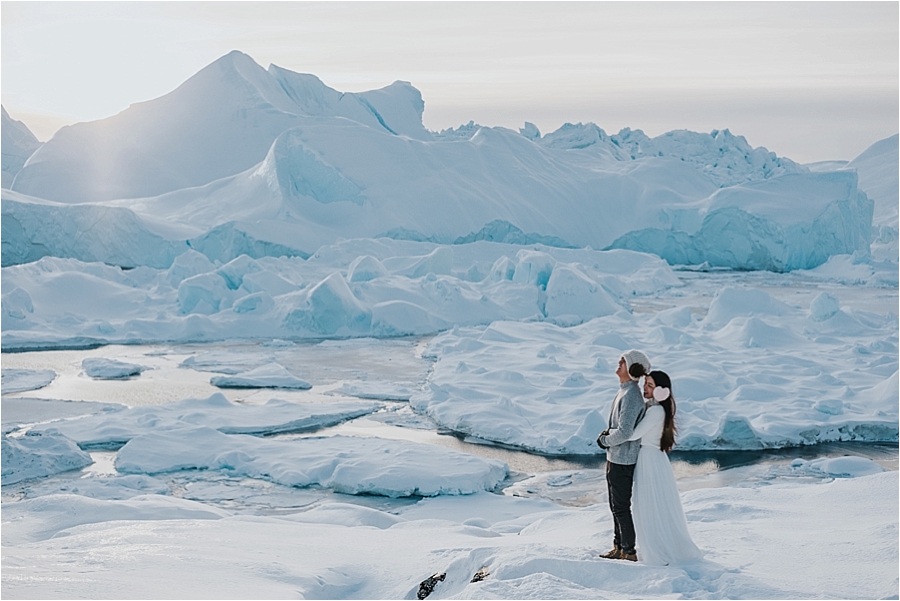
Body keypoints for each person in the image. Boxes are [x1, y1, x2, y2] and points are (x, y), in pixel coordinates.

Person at [627, 370, 702, 566]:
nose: (645, 388)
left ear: (661, 391)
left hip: (649, 460)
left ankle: (658, 550)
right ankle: (658, 546)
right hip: (652, 459)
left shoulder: (655, 411)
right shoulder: (654, 408)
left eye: (650, 386)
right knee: (652, 504)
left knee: (649, 505)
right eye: (646, 383)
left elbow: (634, 434)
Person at [597, 349, 651, 562]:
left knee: (620, 507)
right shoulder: (625, 391)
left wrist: (604, 441)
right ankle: (618, 547)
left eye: (623, 362)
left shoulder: (630, 396)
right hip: (615, 458)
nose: (618, 364)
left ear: (632, 369)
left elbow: (625, 432)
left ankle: (628, 551)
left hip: (623, 460)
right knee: (615, 506)